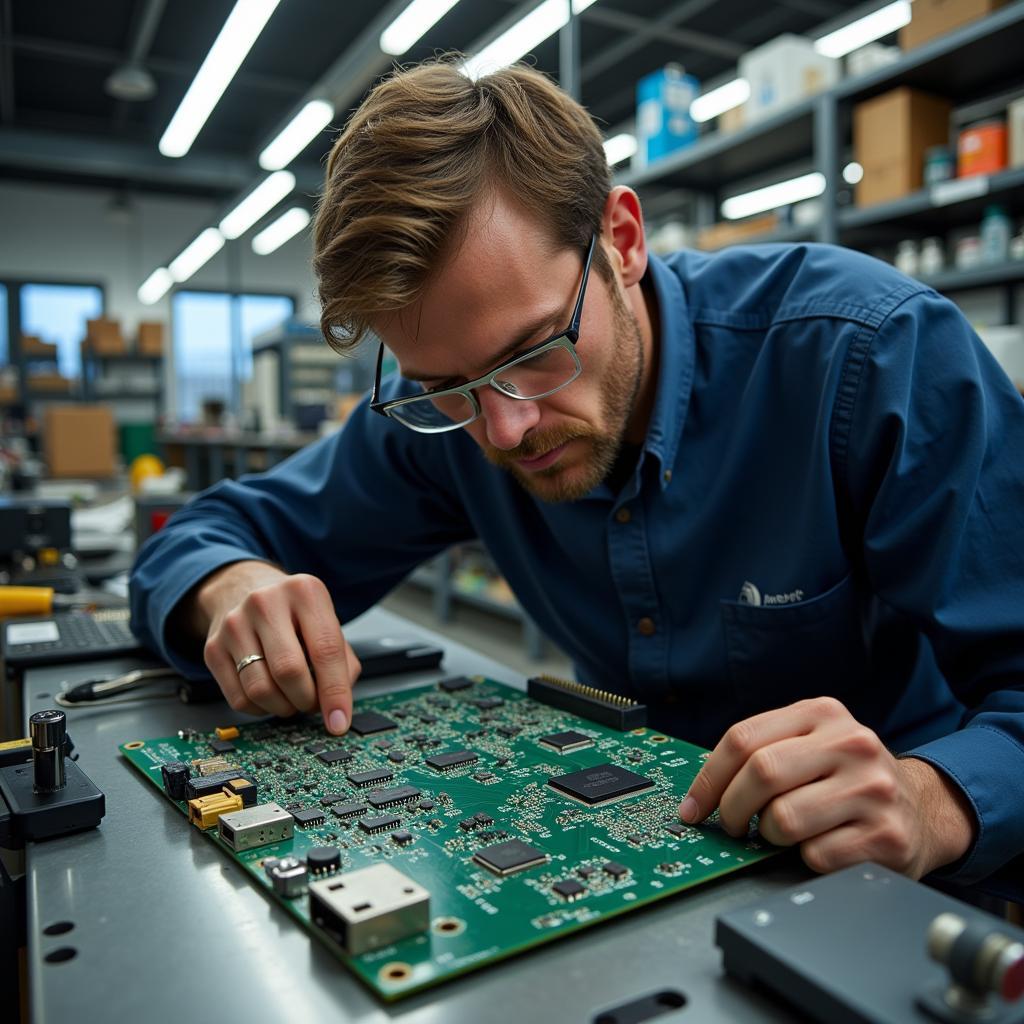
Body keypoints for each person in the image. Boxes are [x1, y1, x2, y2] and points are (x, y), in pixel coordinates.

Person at [131, 59, 1024, 896]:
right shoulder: (450, 420)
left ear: (621, 239)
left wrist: (928, 799)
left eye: (532, 353)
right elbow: (204, 538)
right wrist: (232, 587)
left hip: (874, 887)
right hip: (615, 868)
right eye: (448, 388)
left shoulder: (865, 355)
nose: (507, 428)